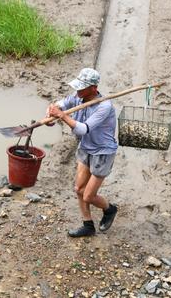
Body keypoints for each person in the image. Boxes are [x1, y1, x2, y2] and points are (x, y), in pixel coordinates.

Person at [47, 67, 118, 237]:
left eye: (82, 87)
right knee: (79, 189)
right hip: (85, 147)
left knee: (88, 196)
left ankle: (110, 209)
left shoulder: (104, 106)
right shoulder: (78, 97)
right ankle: (88, 225)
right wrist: (52, 113)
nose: (78, 90)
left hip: (102, 152)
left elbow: (83, 129)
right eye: (77, 86)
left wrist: (62, 116)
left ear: (93, 88)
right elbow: (60, 104)